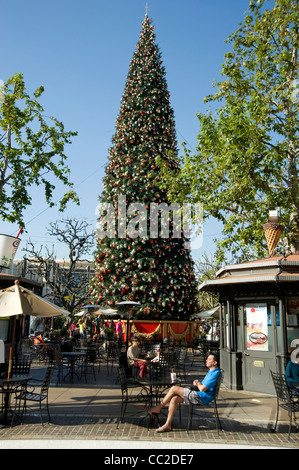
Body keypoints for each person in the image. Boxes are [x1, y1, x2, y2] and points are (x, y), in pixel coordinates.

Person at [147, 352, 220, 433]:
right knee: (174, 399)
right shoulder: (211, 371)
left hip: (201, 397)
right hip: (199, 394)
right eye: (207, 359)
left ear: (215, 362)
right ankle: (168, 425)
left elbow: (202, 388)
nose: (206, 360)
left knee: (174, 388)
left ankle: (158, 407)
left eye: (209, 359)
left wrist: (198, 384)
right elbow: (203, 385)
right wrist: (197, 383)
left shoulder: (215, 373)